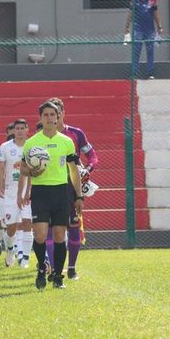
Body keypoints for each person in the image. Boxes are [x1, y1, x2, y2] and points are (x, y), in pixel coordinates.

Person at [18, 101, 83, 290]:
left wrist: (78, 196)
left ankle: (57, 275)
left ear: (58, 117)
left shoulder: (66, 142)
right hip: (40, 192)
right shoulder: (32, 142)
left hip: (61, 192)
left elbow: (73, 170)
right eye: (45, 115)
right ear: (40, 118)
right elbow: (22, 168)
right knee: (39, 235)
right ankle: (41, 268)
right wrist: (32, 172)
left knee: (59, 235)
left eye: (52, 115)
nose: (49, 118)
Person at [45, 97, 99, 280]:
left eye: (57, 112)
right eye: (51, 113)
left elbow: (93, 156)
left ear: (62, 113)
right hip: (49, 186)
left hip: (71, 187)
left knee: (74, 228)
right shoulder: (41, 136)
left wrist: (88, 170)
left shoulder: (76, 134)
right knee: (51, 229)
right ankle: (54, 270)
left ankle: (72, 268)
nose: (54, 117)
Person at [0, 119, 33, 269]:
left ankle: (25, 259)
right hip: (10, 190)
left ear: (27, 130)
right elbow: (0, 167)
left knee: (27, 223)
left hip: (27, 190)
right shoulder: (5, 147)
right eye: (17, 128)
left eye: (22, 128)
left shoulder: (32, 146)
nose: (19, 131)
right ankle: (10, 250)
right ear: (13, 131)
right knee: (11, 227)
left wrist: (30, 190)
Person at [124, 0, 163, 79]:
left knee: (150, 51)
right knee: (136, 52)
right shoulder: (135, 0)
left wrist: (159, 26)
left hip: (150, 30)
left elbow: (155, 13)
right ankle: (134, 74)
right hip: (138, 30)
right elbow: (130, 14)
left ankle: (150, 73)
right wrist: (127, 28)